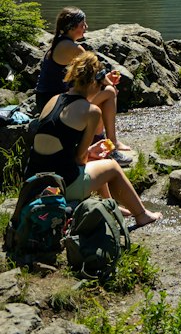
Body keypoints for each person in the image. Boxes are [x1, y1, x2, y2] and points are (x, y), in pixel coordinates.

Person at [24, 50, 160, 227]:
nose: (101, 89)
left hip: (33, 182)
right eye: (101, 85)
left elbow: (59, 148)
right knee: (111, 166)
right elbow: (80, 159)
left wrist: (90, 152)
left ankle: (112, 206)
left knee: (97, 161)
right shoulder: (91, 111)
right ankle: (142, 215)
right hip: (61, 185)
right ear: (93, 83)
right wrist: (90, 153)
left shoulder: (54, 100)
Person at [35, 7, 133, 162]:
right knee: (109, 92)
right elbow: (98, 72)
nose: (86, 27)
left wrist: (102, 78)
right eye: (83, 24)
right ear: (72, 27)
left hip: (49, 102)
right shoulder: (72, 47)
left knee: (101, 94)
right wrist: (108, 81)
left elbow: (84, 78)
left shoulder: (59, 44)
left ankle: (103, 142)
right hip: (57, 105)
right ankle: (109, 144)